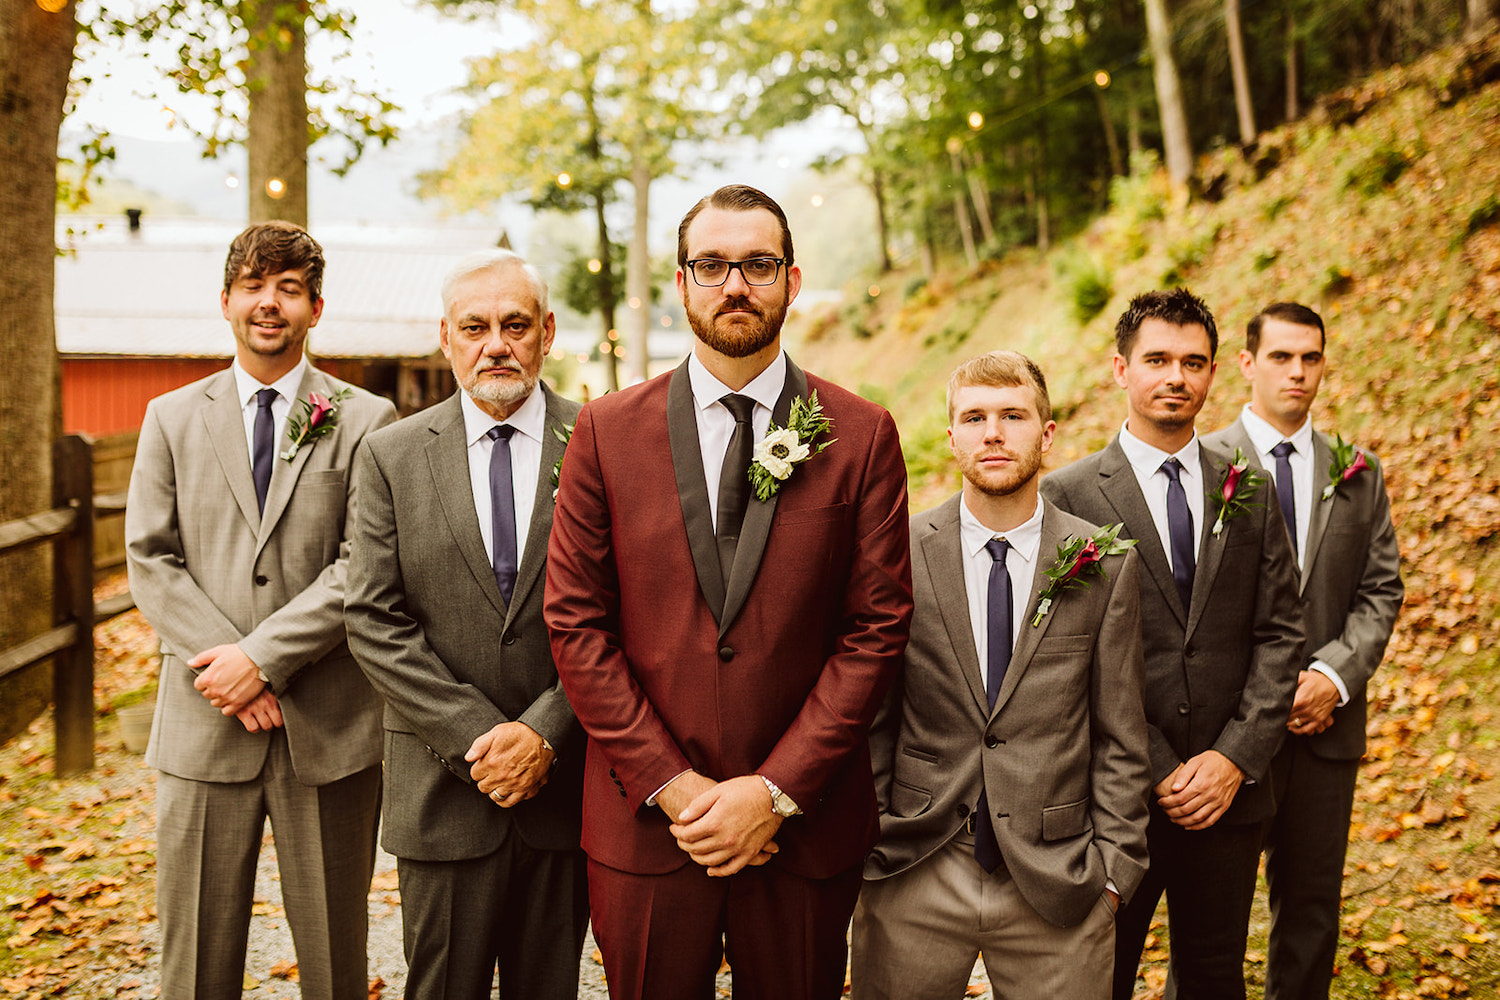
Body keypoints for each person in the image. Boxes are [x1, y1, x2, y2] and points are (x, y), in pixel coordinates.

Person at [544, 183, 914, 1000]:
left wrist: (776, 792)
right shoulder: (607, 432)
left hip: (803, 830)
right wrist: (673, 787)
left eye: (757, 263)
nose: (734, 284)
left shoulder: (860, 435)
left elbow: (876, 629)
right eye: (711, 264)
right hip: (646, 824)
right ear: (681, 283)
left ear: (792, 279)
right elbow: (576, 625)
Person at [125, 221, 396, 999]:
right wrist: (229, 665)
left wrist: (265, 659)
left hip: (329, 731)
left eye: (288, 288)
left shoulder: (366, 419)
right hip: (204, 724)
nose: (269, 303)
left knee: (336, 963)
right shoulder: (170, 418)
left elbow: (363, 564)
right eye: (253, 284)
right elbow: (151, 557)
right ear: (226, 301)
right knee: (195, 965)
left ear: (315, 307)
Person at [851, 351, 1151, 1000]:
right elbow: (872, 714)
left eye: (1013, 415)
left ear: (1046, 433)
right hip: (917, 864)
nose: (993, 432)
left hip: (1061, 875)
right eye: (975, 417)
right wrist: (873, 835)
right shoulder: (896, 552)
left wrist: (1113, 873)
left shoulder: (1103, 564)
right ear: (951, 435)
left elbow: (1121, 734)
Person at [1039, 288, 1304, 1000]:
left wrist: (1232, 758)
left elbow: (1282, 632)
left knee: (1215, 975)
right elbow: (1060, 659)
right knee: (1102, 974)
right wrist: (1157, 764)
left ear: (1214, 373)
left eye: (1193, 362)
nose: (1175, 378)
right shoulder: (1067, 496)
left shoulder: (1246, 485)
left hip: (1229, 794)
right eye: (1156, 359)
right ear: (1120, 370)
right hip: (1116, 794)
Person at [344, 249, 587, 1000]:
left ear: (546, 332)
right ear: (445, 338)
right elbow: (373, 618)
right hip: (442, 794)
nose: (496, 344)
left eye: (515, 324)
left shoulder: (603, 443)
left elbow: (628, 613)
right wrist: (482, 740)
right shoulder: (390, 457)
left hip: (567, 789)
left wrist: (545, 732)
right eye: (475, 327)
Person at [1204, 302, 1403, 1000]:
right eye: (1282, 356)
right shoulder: (1204, 468)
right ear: (1247, 363)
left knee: (1313, 910)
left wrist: (1333, 675)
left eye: (1311, 357)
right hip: (1228, 732)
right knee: (1211, 926)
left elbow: (1381, 590)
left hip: (1326, 730)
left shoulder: (1359, 471)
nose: (1298, 371)